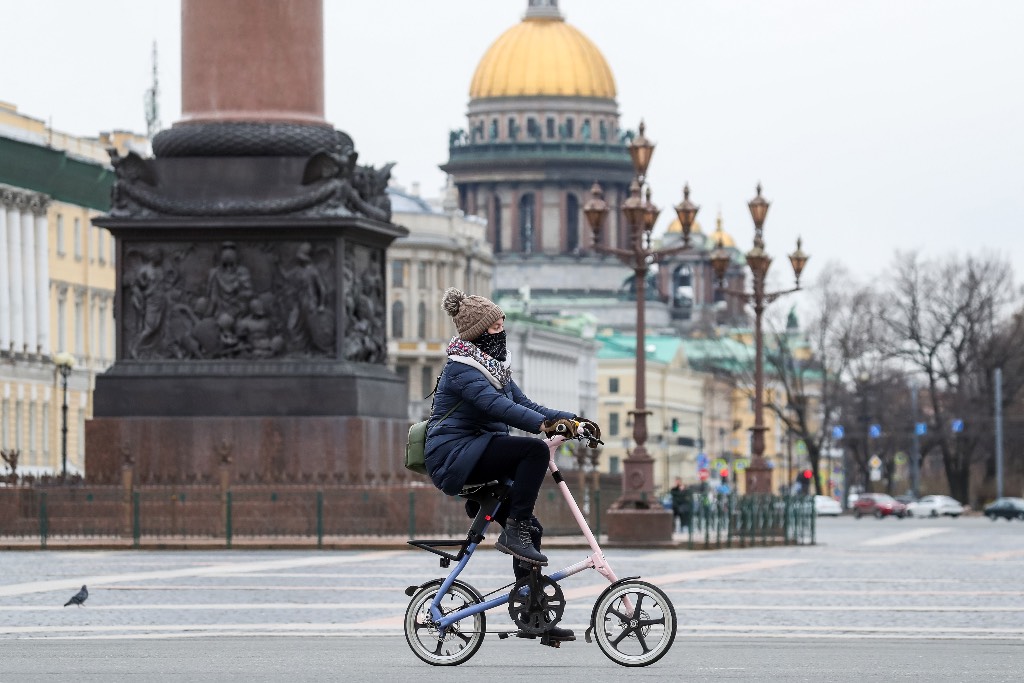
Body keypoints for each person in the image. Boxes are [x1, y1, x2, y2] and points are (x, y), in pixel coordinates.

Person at [424, 288, 599, 640]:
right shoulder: (462, 370)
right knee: (533, 452)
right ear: (478, 332)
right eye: (496, 325)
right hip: (454, 456)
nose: (502, 330)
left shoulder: (494, 370)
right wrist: (545, 428)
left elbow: (528, 404)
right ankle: (514, 530)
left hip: (478, 452)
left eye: (503, 322)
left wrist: (574, 421)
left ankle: (535, 618)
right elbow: (498, 408)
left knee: (532, 533)